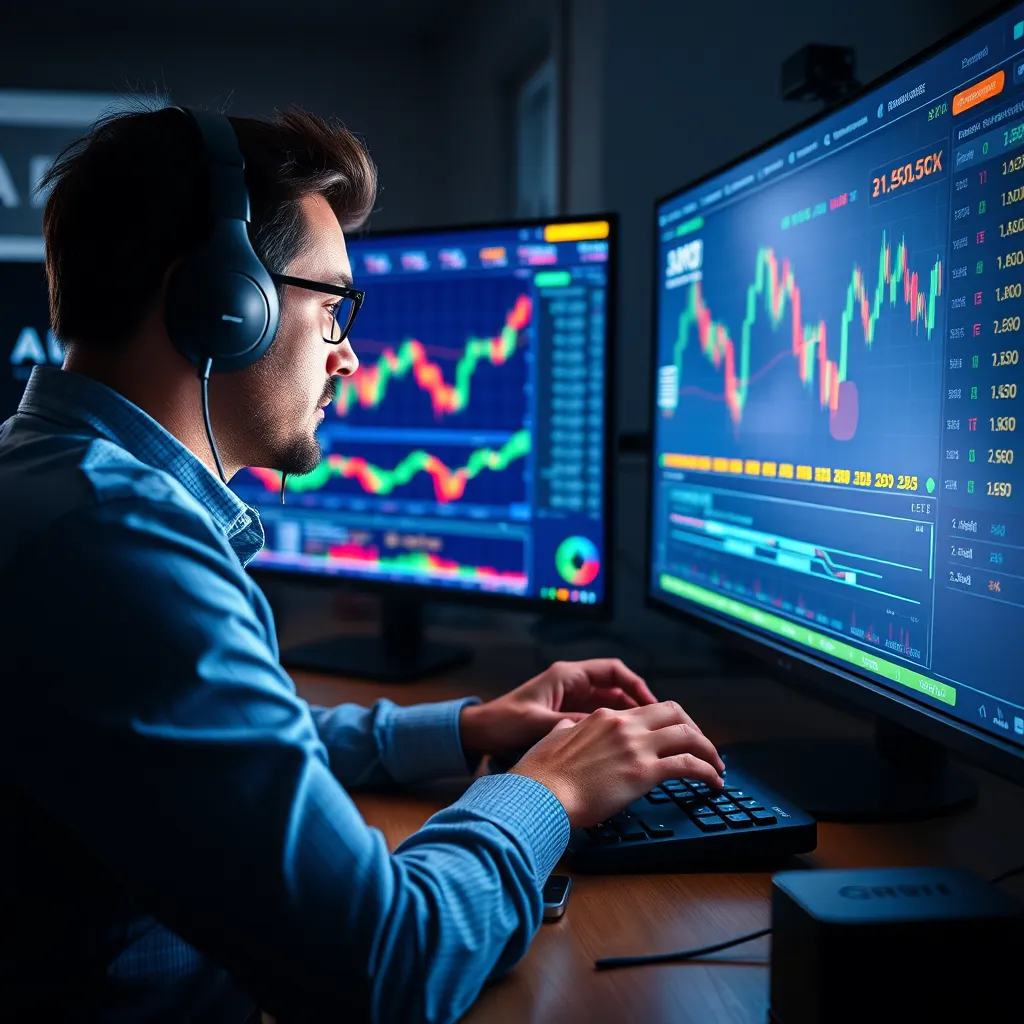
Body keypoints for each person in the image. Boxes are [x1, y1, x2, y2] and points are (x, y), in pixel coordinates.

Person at [0, 103, 725, 1023]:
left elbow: (210, 742)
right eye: (332, 306)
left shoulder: (45, 477)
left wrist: (463, 728)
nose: (347, 355)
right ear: (223, 304)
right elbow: (389, 965)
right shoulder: (124, 545)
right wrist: (550, 790)